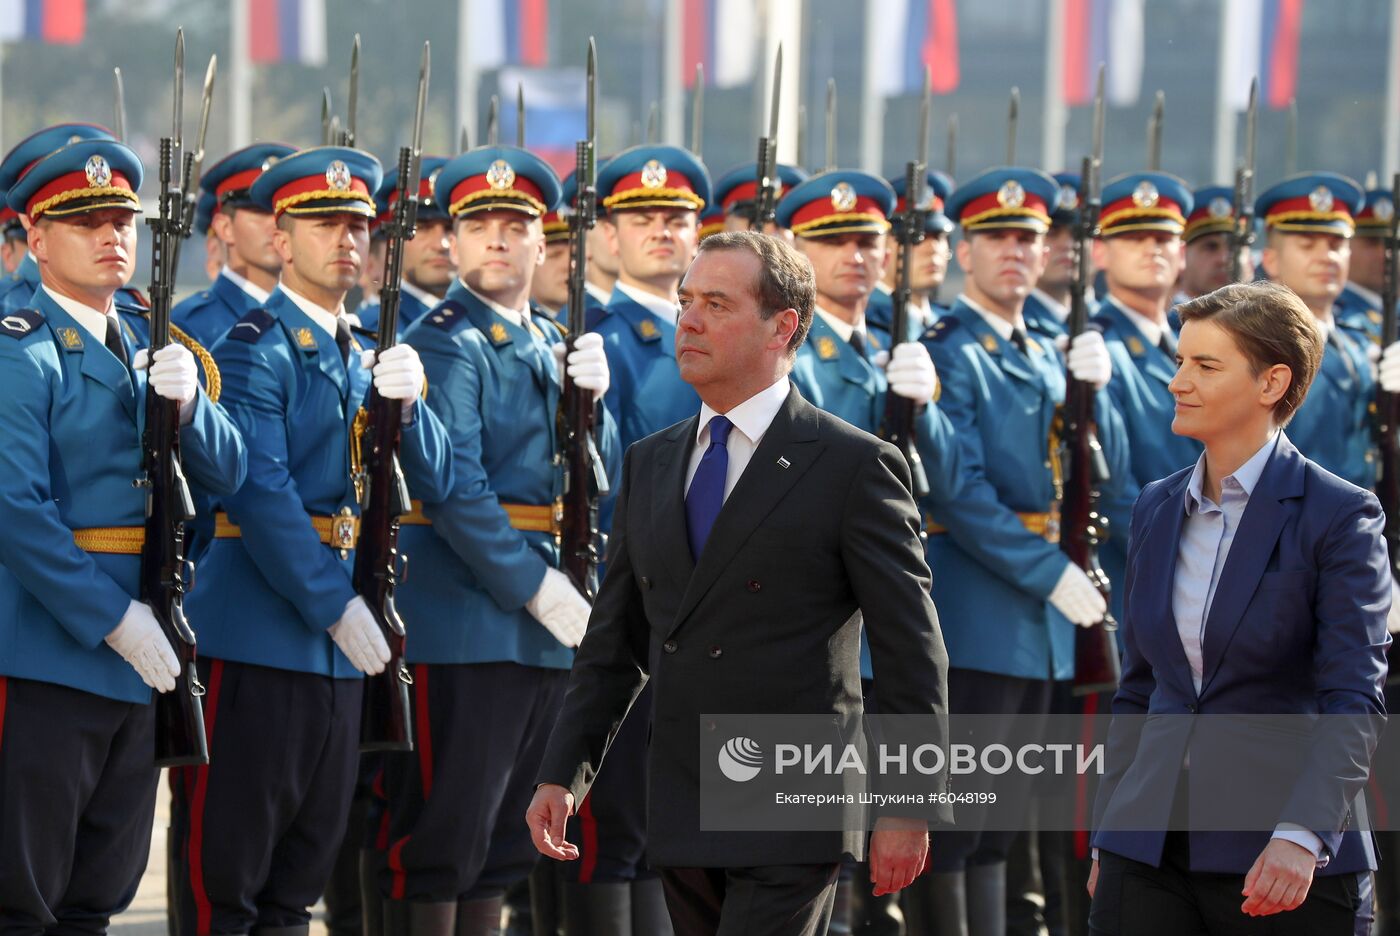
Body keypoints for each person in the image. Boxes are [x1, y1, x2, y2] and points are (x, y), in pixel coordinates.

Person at [527, 229, 953, 936]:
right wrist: (562, 774)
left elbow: (912, 650)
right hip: (684, 794)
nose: (687, 320)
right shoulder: (652, 462)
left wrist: (908, 804)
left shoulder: (852, 466)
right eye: (685, 300)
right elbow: (617, 642)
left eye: (716, 304)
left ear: (781, 326)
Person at [170, 145, 454, 936]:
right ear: (283, 239)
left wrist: (414, 402)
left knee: (298, 886)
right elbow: (259, 493)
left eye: (359, 226)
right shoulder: (253, 347)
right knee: (227, 882)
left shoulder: (363, 349)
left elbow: (435, 477)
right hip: (260, 637)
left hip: (339, 649)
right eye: (323, 224)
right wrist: (336, 607)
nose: (347, 242)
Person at [370, 144, 620, 935]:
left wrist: (598, 404)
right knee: (445, 833)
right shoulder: (448, 339)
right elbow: (454, 489)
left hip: (544, 624)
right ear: (453, 241)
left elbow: (598, 474)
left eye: (516, 226)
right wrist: (535, 587)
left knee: (509, 839)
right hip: (472, 621)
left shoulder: (551, 336)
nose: (499, 241)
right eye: (480, 225)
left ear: (545, 243)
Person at [1088, 280, 1388, 935]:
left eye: (1206, 365)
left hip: (1280, 855)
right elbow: (1140, 689)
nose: (1178, 382)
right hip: (1147, 847)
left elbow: (1353, 700)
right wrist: (1108, 826)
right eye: (1178, 363)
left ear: (1272, 382)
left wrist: (1303, 834)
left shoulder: (1340, 516)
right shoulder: (1156, 507)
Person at [0, 136, 246, 932]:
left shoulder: (149, 337)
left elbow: (230, 475)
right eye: (85, 221)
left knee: (98, 897)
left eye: (121, 221)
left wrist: (192, 409)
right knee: (24, 898)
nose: (113, 237)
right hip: (49, 653)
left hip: (145, 654)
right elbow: (16, 511)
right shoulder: (21, 351)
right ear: (34, 239)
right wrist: (113, 619)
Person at [904, 166, 1128, 936]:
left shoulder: (1046, 349)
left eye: (1027, 239)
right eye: (995, 238)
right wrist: (1048, 572)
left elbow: (1107, 474)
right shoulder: (952, 352)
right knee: (959, 819)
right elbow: (957, 493)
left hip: (1044, 627)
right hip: (983, 610)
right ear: (964, 253)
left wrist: (1101, 393)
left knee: (1003, 820)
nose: (1013, 252)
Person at [1093, 171, 1203, 624]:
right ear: (1101, 252)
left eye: (1162, 237)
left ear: (1181, 253)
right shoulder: (1097, 349)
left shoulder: (1199, 341)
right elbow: (1116, 489)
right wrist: (1189, 561)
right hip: (1145, 574)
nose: (1151, 248)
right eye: (1134, 237)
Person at [1255, 173, 1374, 490]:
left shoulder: (1355, 341)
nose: (1326, 257)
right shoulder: (1260, 346)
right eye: (1308, 245)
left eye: (1336, 245)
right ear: (1271, 259)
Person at [172, 143, 295, 347]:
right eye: (259, 211)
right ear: (225, 228)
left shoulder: (302, 315)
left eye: (282, 213)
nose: (275, 223)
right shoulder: (192, 324)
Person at [866, 169, 954, 344]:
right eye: (917, 238)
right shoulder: (866, 320)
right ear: (884, 245)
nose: (932, 248)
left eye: (938, 237)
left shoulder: (948, 322)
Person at [1022, 172, 1085, 344]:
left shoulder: (1099, 322)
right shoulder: (1016, 321)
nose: (1068, 244)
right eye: (1052, 232)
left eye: (1077, 233)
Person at [1336, 187, 1396, 344]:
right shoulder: (1337, 315)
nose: (1385, 254)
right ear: (1345, 246)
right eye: (1372, 242)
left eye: (1394, 244)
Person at [1178, 185, 1254, 304]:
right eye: (1210, 247)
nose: (1224, 259)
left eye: (1234, 247)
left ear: (1250, 260)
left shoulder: (1269, 321)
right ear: (1182, 255)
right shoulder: (1167, 322)